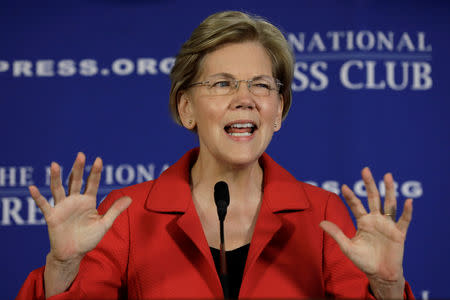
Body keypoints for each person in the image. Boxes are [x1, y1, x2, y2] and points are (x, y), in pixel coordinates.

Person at [16, 11, 414, 300]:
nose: (245, 100)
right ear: (186, 108)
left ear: (279, 111)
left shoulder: (323, 216)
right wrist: (63, 268)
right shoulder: (129, 216)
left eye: (261, 85)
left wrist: (387, 287)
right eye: (223, 84)